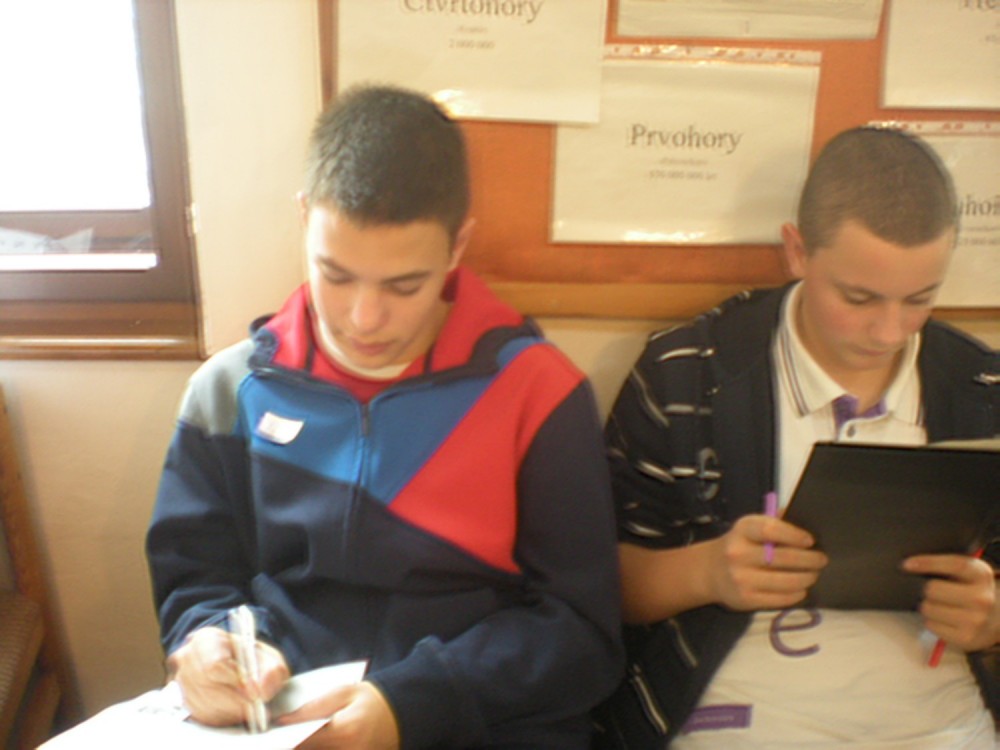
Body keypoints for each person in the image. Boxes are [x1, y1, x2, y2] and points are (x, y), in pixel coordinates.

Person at [146, 84, 623, 749]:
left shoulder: (540, 394)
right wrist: (204, 641)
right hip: (285, 722)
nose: (364, 319)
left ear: (457, 246)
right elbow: (196, 578)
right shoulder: (228, 391)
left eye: (404, 286)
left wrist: (408, 707)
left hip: (480, 725)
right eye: (335, 275)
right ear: (304, 217)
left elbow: (583, 634)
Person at [595, 126, 1000, 748]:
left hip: (940, 719)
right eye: (858, 298)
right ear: (797, 251)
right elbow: (601, 583)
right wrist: (707, 573)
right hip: (741, 713)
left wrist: (991, 620)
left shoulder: (981, 389)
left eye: (920, 299)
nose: (889, 331)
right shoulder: (687, 373)